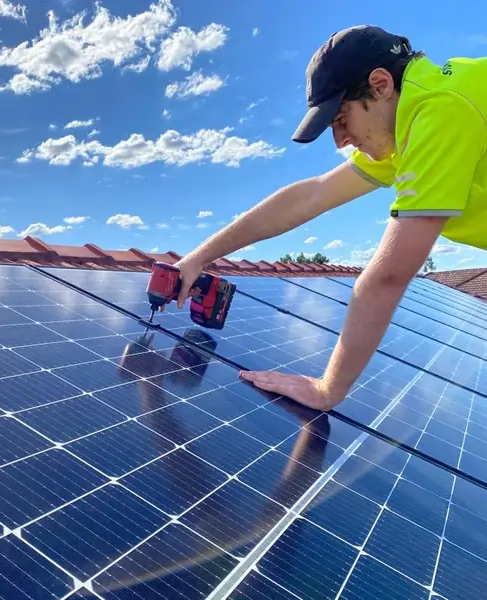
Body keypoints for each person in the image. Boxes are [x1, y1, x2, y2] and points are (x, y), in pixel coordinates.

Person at [173, 24, 487, 412]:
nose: (340, 141)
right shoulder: (409, 119)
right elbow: (312, 194)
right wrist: (200, 257)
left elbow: (386, 278)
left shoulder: (440, 112)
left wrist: (326, 390)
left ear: (381, 84)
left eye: (340, 119)